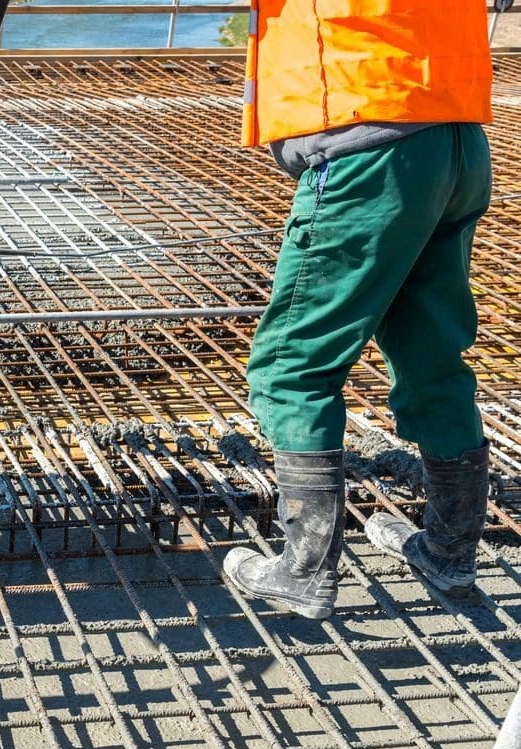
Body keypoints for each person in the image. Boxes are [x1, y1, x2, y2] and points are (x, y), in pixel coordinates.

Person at [222, 0, 494, 619]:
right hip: (454, 137)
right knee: (433, 356)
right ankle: (450, 554)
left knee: (295, 364)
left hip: (369, 138)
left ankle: (304, 571)